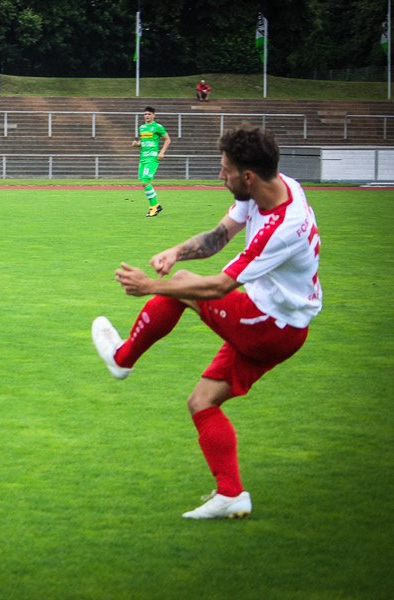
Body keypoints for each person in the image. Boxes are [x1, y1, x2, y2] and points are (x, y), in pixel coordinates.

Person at [92, 124, 322, 520]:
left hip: (267, 325)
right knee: (201, 403)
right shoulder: (277, 186)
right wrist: (176, 251)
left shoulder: (281, 228)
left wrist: (150, 286)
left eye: (225, 169)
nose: (220, 175)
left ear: (247, 177)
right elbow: (219, 236)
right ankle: (231, 494)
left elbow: (219, 286)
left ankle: (123, 358)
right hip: (286, 328)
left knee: (182, 285)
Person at [133, 107, 171, 218]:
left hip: (152, 158)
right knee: (144, 183)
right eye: (145, 114)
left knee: (145, 182)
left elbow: (168, 139)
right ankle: (156, 205)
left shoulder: (158, 127)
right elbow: (144, 142)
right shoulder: (142, 128)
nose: (147, 116)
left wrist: (162, 152)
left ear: (154, 115)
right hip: (142, 158)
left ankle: (154, 206)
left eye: (149, 114)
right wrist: (137, 144)